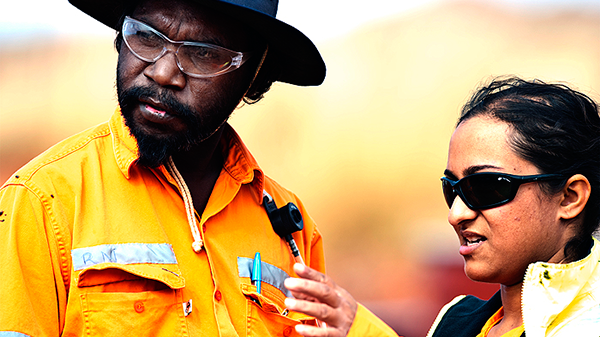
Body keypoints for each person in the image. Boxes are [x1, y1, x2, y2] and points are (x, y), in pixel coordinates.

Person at [0, 0, 397, 336]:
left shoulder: (289, 225)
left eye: (203, 53)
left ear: (252, 77)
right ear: (120, 37)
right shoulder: (42, 201)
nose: (162, 72)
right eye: (147, 37)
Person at [426, 77, 600, 336]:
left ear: (570, 197)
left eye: (487, 187)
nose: (456, 214)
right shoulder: (456, 321)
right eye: (452, 189)